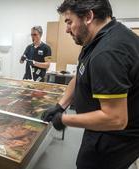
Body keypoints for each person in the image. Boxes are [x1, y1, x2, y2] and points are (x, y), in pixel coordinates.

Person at [41, 0, 139, 169]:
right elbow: (79, 76)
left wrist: (65, 119)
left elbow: (116, 118)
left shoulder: (108, 52)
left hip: (113, 138)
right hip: (99, 126)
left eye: (69, 22)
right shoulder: (96, 40)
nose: (66, 29)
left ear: (88, 16)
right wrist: (60, 105)